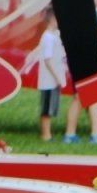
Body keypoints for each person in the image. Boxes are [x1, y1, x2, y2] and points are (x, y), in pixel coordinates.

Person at [34, 9, 65, 142]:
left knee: (51, 106)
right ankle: (46, 134)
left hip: (53, 78)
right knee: (46, 108)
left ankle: (48, 133)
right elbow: (47, 60)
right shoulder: (47, 37)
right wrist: (57, 77)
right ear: (52, 20)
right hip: (48, 80)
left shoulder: (54, 35)